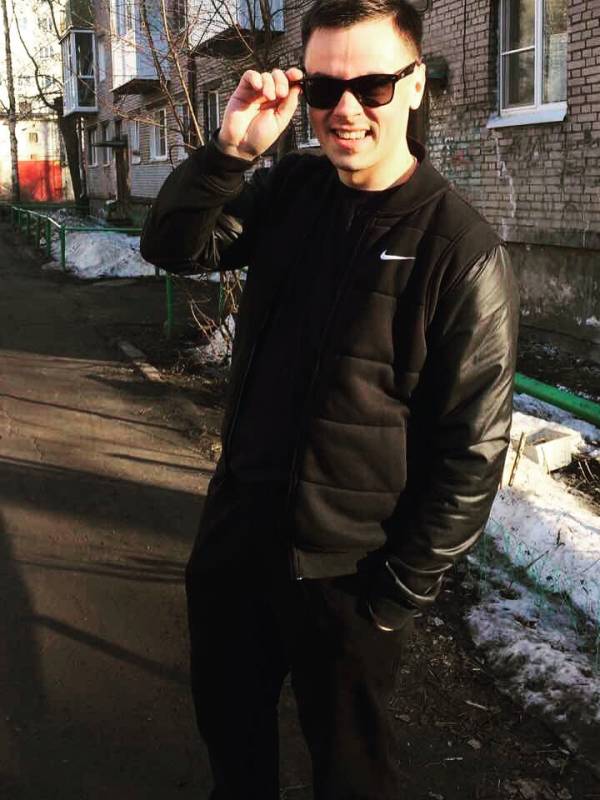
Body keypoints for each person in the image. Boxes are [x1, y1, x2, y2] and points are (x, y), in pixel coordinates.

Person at [140, 0, 519, 796]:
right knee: (232, 749)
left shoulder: (460, 251)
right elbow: (171, 246)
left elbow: (472, 451)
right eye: (323, 88)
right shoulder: (291, 191)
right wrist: (229, 152)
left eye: (372, 85)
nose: (345, 109)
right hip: (239, 546)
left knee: (352, 776)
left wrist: (395, 594)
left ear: (415, 85)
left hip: (349, 578)